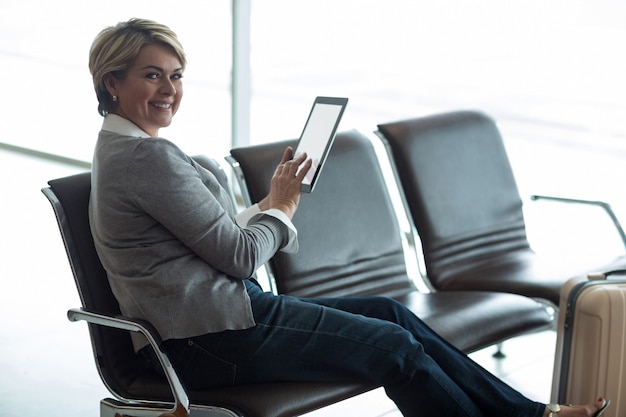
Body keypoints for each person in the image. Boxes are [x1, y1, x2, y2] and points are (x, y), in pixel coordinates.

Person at [87, 18, 610, 417]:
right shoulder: (146, 158)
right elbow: (240, 255)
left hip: (222, 322)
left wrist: (270, 203)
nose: (169, 90)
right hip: (209, 339)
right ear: (112, 82)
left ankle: (535, 414)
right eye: (151, 75)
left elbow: (209, 238)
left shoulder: (123, 150)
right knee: (395, 349)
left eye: (176, 76)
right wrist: (285, 208)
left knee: (393, 314)